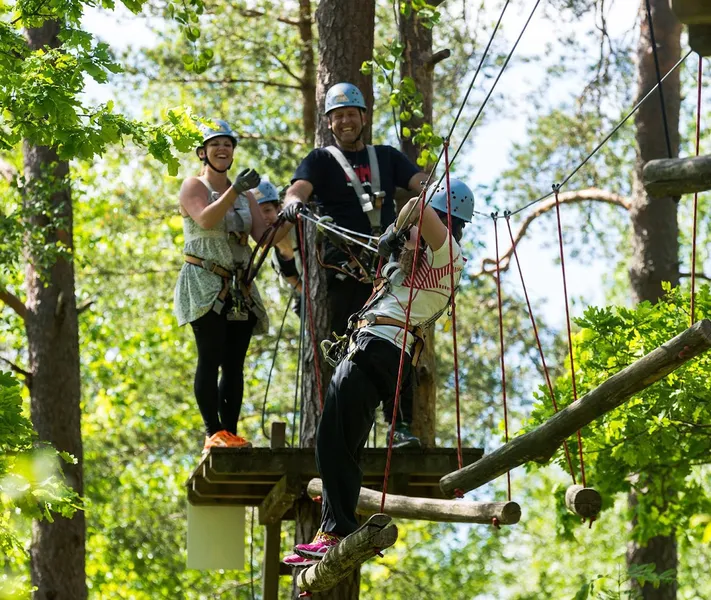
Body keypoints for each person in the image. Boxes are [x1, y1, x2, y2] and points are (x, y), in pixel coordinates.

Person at [282, 179, 474, 567]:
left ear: (445, 219)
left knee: (331, 440)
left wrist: (394, 230)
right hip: (381, 349)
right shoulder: (420, 260)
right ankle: (333, 529)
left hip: (381, 347)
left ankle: (335, 529)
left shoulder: (447, 252)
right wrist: (396, 240)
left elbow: (418, 206)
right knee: (344, 442)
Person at [281, 81, 429, 448]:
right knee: (347, 346)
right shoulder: (320, 160)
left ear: (363, 117)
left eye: (351, 114)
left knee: (399, 342)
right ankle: (347, 428)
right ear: (329, 123)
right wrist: (293, 203)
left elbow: (417, 182)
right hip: (345, 267)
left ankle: (400, 425)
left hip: (388, 265)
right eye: (338, 116)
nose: (346, 121)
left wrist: (438, 187)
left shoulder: (387, 157)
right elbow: (299, 188)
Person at [174, 118, 285, 453]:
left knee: (235, 362)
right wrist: (234, 190)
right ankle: (213, 431)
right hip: (205, 282)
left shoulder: (245, 195)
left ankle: (231, 433)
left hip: (239, 288)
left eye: (228, 144)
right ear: (203, 153)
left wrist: (292, 218)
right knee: (210, 356)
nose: (222, 149)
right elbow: (205, 219)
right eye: (215, 144)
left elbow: (263, 238)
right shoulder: (195, 186)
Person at [254, 178, 303, 307]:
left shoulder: (303, 232)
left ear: (278, 208)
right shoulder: (277, 262)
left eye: (267, 210)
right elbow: (302, 290)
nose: (264, 217)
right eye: (257, 214)